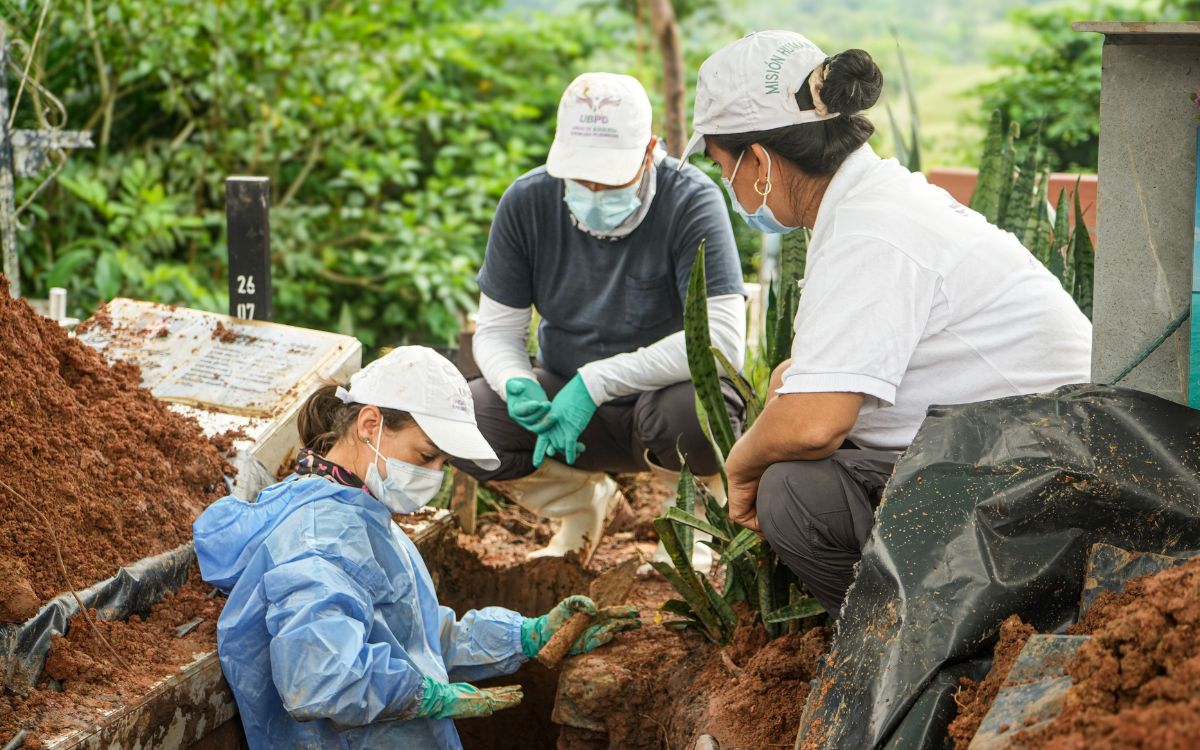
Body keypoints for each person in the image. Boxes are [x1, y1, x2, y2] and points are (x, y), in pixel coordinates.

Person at [681, 31, 1092, 614]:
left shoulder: (868, 230)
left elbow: (815, 425)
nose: (733, 189)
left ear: (760, 161)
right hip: (1025, 450)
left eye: (726, 167)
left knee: (793, 493)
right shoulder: (874, 200)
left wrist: (740, 468)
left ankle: (910, 647)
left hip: (1042, 481)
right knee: (788, 400)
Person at [193, 346, 639, 750]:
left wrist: (528, 636)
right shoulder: (321, 538)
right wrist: (420, 693)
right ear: (370, 425)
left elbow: (420, 639)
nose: (435, 475)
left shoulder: (363, 512)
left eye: (444, 463)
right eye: (427, 457)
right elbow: (318, 677)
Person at [456, 71, 747, 570]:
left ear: (649, 151)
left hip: (659, 403)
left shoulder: (691, 200)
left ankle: (691, 522)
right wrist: (514, 382)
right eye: (580, 177)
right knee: (468, 418)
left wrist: (598, 381)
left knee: (693, 417)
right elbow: (498, 331)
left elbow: (722, 341)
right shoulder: (526, 203)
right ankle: (581, 505)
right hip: (566, 402)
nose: (593, 191)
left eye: (609, 179)